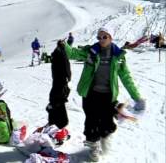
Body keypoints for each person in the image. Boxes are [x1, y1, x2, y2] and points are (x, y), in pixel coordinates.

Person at [61, 27, 145, 162]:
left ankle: (104, 142)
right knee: (91, 122)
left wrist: (137, 97)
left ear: (111, 38)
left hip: (108, 96)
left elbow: (126, 77)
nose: (101, 40)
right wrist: (64, 45)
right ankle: (93, 147)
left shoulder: (118, 56)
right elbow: (73, 54)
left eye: (104, 37)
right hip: (90, 94)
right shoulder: (91, 51)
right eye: (99, 37)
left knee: (107, 123)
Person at [46, 40, 71, 142]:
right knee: (59, 102)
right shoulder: (61, 53)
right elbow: (66, 66)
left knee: (56, 100)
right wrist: (68, 77)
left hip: (57, 82)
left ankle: (54, 124)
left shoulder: (56, 53)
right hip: (60, 82)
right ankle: (58, 131)